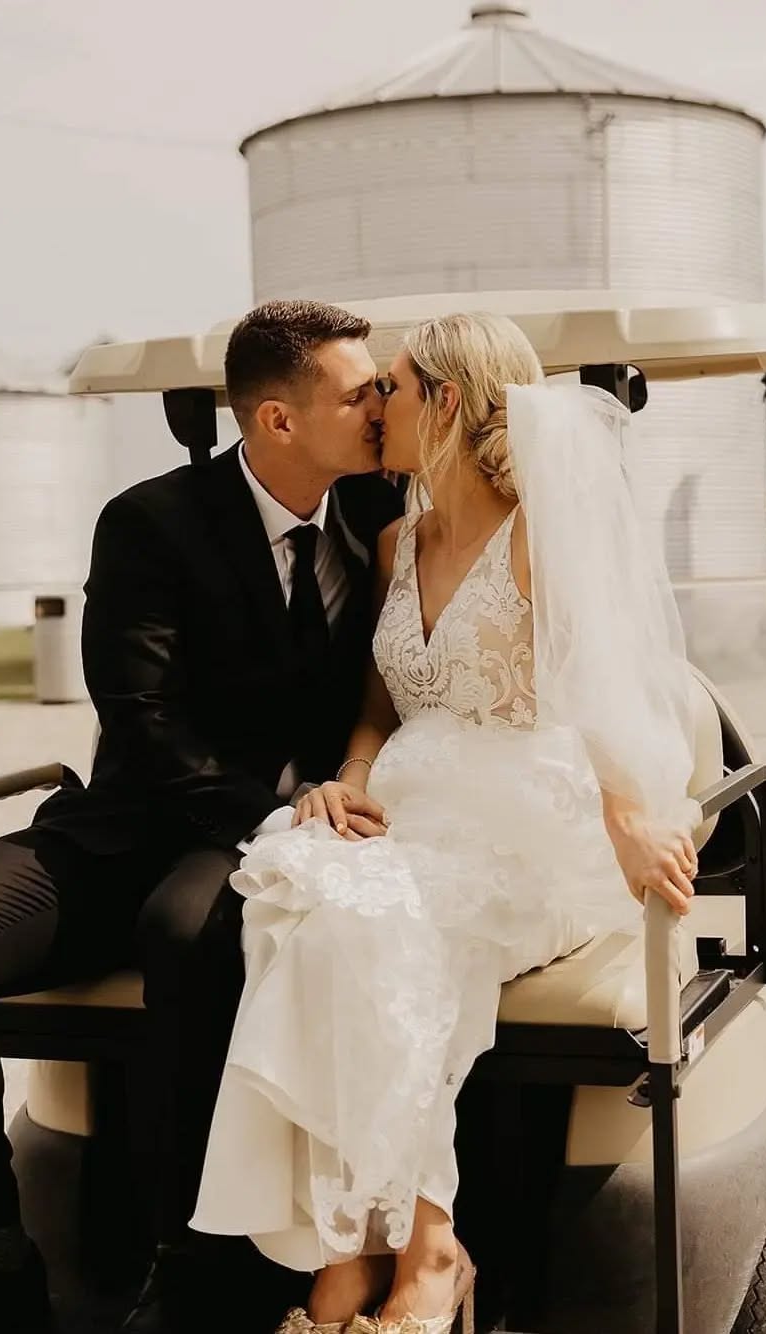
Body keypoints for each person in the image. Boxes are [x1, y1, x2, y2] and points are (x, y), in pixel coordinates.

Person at [190, 313, 701, 1334]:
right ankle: (369, 1245)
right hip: (414, 807)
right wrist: (350, 771)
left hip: (530, 813)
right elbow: (383, 700)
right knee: (307, 913)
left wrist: (626, 817)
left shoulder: (535, 536)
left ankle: (409, 1250)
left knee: (390, 931)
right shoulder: (393, 539)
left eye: (393, 385)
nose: (377, 404)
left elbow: (596, 692)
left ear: (447, 400)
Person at [0, 300, 403, 1333]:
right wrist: (277, 805)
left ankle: (189, 1262)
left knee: (188, 931)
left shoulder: (380, 509)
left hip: (265, 842)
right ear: (277, 421)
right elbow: (144, 715)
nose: (381, 404)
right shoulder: (151, 520)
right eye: (359, 391)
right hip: (133, 820)